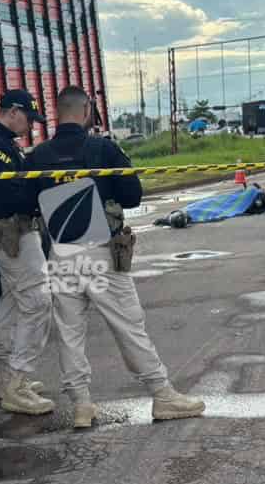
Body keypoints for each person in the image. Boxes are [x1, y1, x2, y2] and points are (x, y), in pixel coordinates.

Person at [27, 85, 206, 426]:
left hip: (60, 253)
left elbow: (27, 201)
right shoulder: (103, 149)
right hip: (99, 252)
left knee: (69, 332)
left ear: (58, 112)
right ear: (86, 111)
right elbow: (132, 194)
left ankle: (81, 405)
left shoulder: (37, 156)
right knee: (128, 325)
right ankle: (162, 395)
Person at [0, 89, 55, 416]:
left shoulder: (2, 143)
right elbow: (13, 193)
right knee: (37, 300)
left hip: (13, 231)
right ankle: (17, 383)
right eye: (28, 119)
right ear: (14, 111)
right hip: (12, 233)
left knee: (14, 301)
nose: (30, 126)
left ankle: (9, 379)